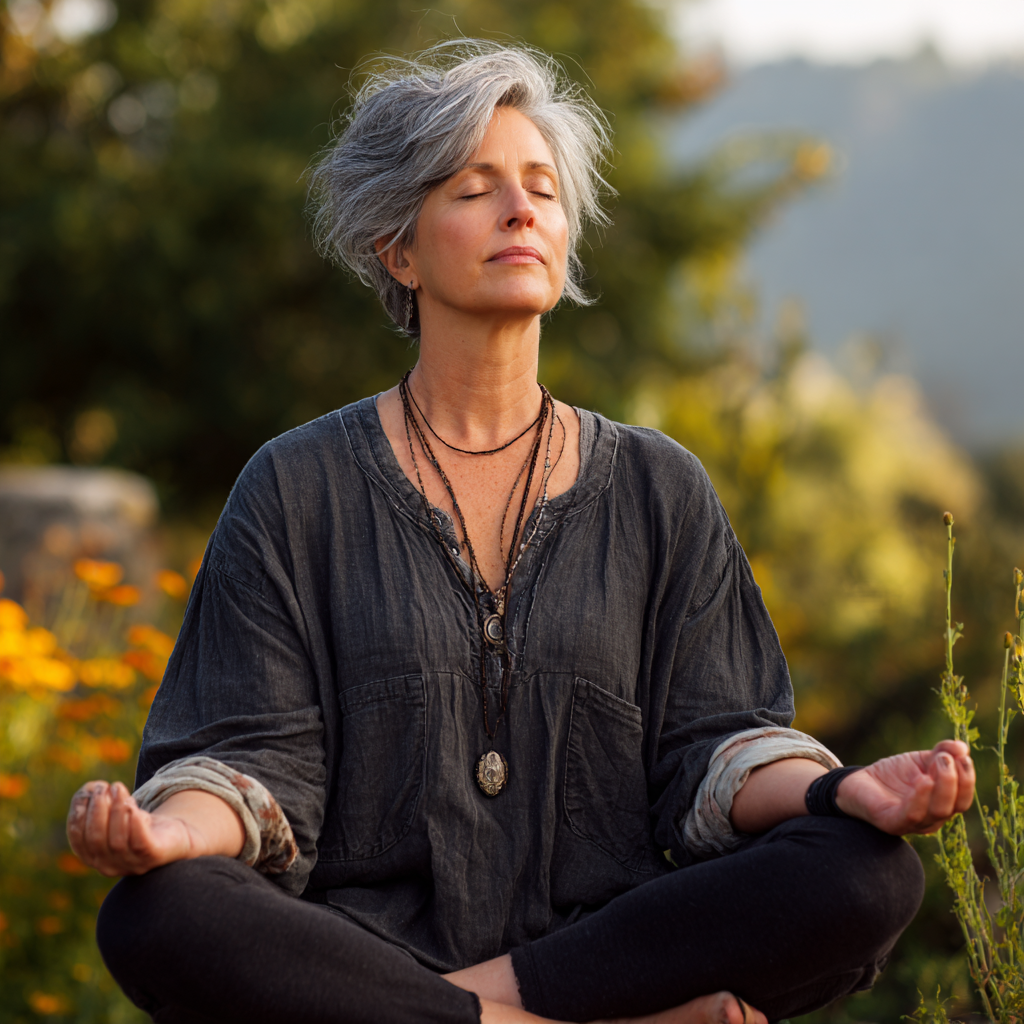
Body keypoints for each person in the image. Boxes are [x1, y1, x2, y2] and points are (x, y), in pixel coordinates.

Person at [66, 41, 975, 1024]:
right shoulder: (295, 487)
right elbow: (251, 761)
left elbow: (719, 742)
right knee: (158, 911)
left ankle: (470, 1012)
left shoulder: (658, 487)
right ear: (398, 250)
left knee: (866, 873)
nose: (520, 209)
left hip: (599, 950)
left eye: (541, 188)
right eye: (474, 189)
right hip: (361, 948)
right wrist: (169, 835)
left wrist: (841, 793)